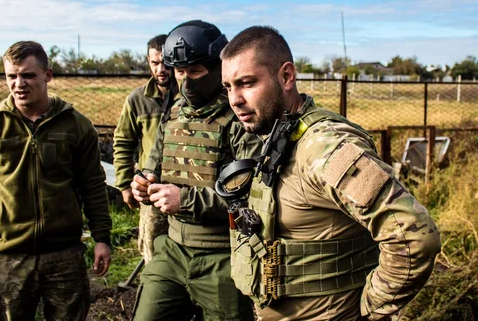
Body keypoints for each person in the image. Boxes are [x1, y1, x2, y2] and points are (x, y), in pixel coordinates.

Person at [218, 26, 441, 320]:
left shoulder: (324, 148)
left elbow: (413, 237)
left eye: (247, 83)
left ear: (286, 76)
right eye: (228, 87)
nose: (234, 99)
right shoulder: (280, 137)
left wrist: (370, 310)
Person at [0, 41, 112, 320]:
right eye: (11, 76)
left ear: (47, 75)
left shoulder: (76, 126)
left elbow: (92, 186)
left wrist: (102, 237)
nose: (19, 84)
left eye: (28, 75)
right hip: (9, 257)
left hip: (64, 254)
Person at [130, 21, 261, 321]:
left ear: (216, 70)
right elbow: (153, 167)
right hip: (173, 251)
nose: (186, 81)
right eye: (180, 72)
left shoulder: (238, 120)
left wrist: (184, 200)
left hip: (223, 256)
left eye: (196, 72)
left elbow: (253, 199)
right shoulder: (173, 113)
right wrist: (143, 183)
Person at [113, 34, 177, 262]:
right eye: (155, 63)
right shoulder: (137, 100)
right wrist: (124, 185)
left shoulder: (189, 97)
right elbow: (122, 143)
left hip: (185, 189)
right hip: (151, 188)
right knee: (153, 251)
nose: (161, 69)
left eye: (166, 62)